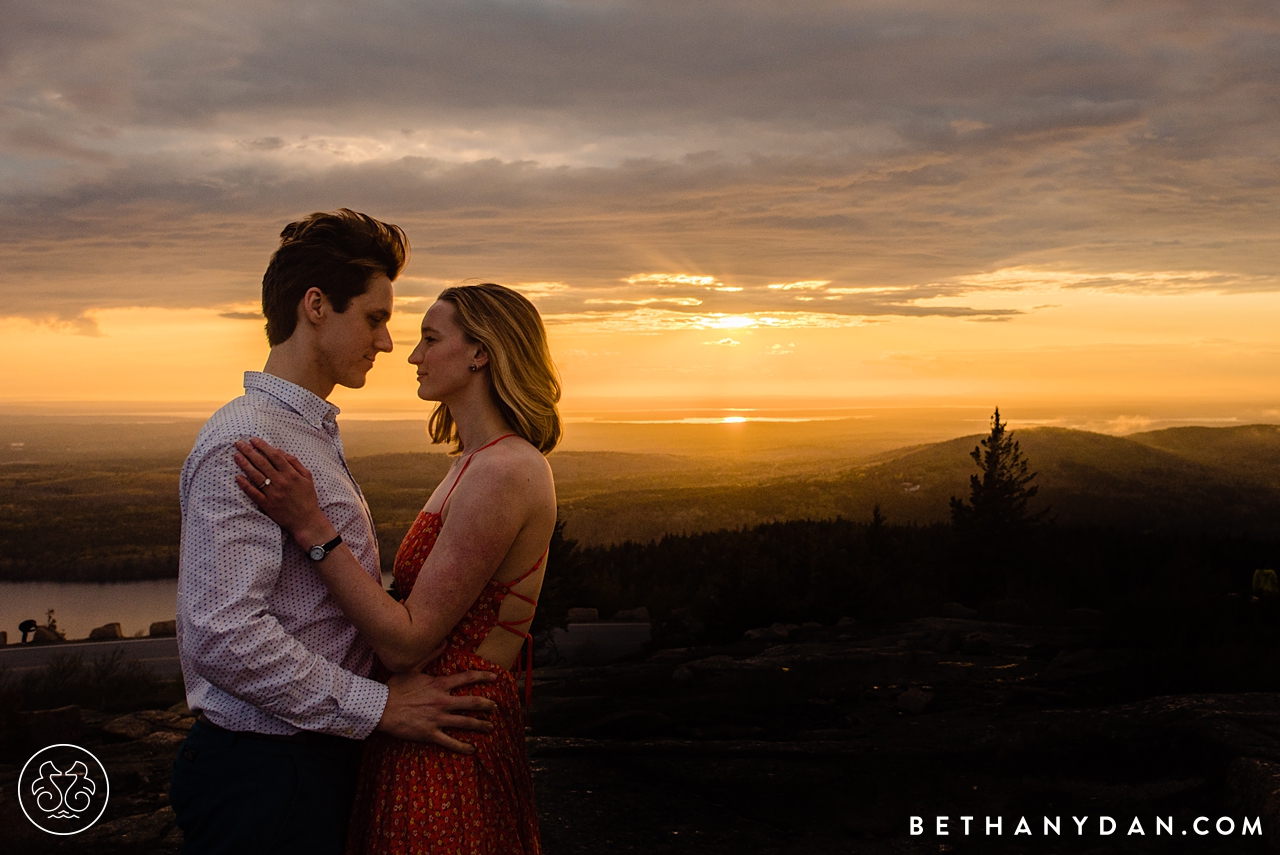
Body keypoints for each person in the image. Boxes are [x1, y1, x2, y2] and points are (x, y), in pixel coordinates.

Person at [170, 210, 499, 855]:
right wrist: (377, 707)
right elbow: (223, 634)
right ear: (316, 306)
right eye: (374, 318)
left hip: (303, 763)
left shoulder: (303, 431)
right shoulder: (248, 440)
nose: (385, 343)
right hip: (265, 774)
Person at [232, 282, 560, 854]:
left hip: (446, 732)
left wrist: (311, 526)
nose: (411, 355)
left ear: (481, 352)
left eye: (430, 340)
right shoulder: (473, 464)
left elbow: (407, 644)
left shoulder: (504, 471)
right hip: (421, 722)